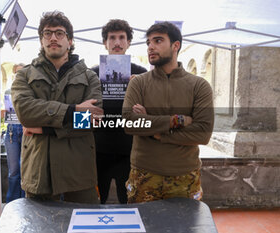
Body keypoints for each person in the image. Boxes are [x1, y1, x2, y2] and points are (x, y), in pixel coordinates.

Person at [11, 11, 103, 204]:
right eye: (47, 33)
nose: (53, 37)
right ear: (41, 40)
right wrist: (73, 110)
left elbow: (92, 121)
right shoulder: (24, 75)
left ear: (69, 40)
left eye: (59, 33)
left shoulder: (89, 77)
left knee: (85, 224)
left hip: (79, 170)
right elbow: (25, 112)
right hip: (39, 171)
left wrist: (44, 128)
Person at [122, 22, 214, 203]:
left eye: (158, 41)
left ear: (175, 45)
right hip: (143, 174)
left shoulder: (199, 86)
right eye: (148, 42)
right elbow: (129, 123)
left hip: (185, 176)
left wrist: (156, 132)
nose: (150, 47)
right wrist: (178, 120)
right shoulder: (138, 83)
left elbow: (202, 133)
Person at [91, 19, 147, 204]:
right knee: (97, 201)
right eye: (112, 38)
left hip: (129, 150)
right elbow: (80, 116)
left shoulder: (141, 74)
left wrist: (140, 89)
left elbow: (151, 114)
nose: (117, 42)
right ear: (104, 42)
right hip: (99, 149)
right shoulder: (92, 74)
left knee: (129, 202)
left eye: (121, 37)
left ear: (129, 42)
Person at [4, 63, 25, 203]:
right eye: (17, 72)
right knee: (13, 170)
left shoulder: (31, 91)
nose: (19, 74)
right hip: (11, 130)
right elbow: (4, 112)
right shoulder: (8, 92)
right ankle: (12, 202)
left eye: (22, 72)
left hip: (26, 130)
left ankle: (25, 201)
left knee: (26, 170)